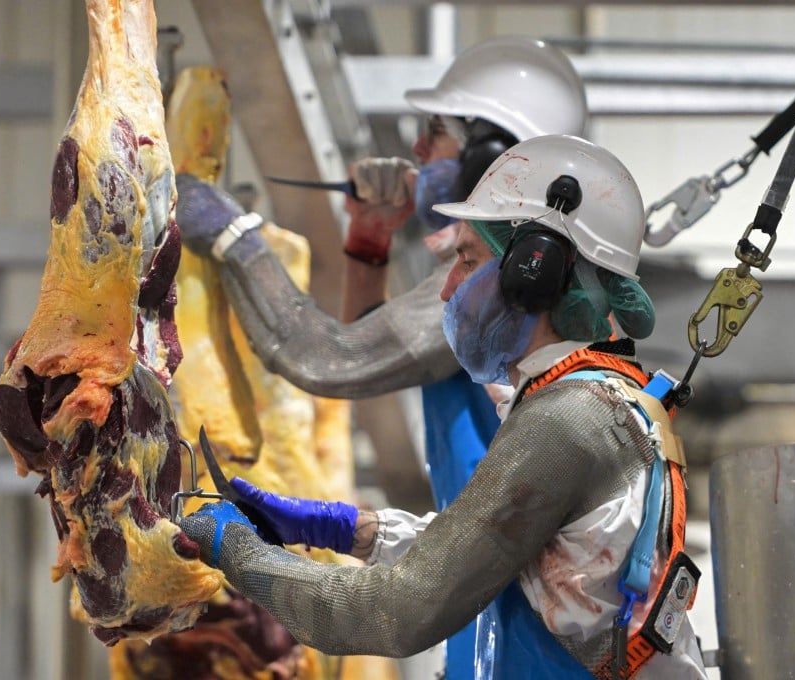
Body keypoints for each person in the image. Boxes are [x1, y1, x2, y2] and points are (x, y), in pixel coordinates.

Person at [177, 135, 708, 679]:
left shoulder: (568, 419)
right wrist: (338, 528)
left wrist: (235, 552)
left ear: (532, 272)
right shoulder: (591, 400)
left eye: (465, 259)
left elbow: (396, 613)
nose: (446, 289)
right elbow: (495, 552)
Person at [177, 37, 588, 678]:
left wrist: (235, 238)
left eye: (436, 132)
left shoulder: (505, 292)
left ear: (490, 154)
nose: (418, 150)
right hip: (491, 622)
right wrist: (369, 240)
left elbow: (330, 358)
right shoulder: (498, 291)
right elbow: (377, 351)